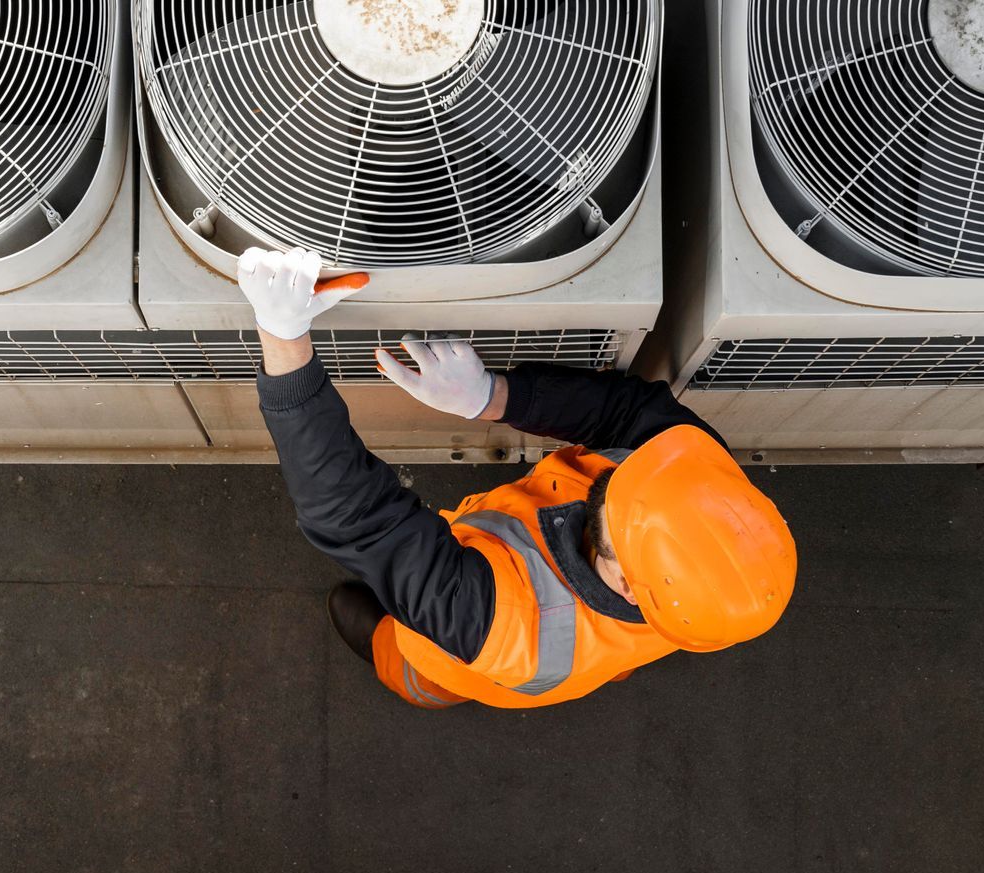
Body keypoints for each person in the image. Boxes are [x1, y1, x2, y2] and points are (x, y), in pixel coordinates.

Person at [238, 246, 796, 709]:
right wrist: (493, 397)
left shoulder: (507, 628)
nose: (620, 471)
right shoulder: (698, 483)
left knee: (421, 668)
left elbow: (355, 518)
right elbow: (627, 415)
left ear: (627, 582)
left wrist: (283, 337)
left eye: (623, 504)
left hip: (463, 656)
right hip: (606, 633)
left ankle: (396, 661)